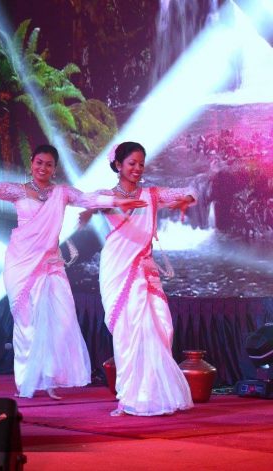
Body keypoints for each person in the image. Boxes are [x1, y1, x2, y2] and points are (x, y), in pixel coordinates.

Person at [0, 145, 145, 399]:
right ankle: (26, 381)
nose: (43, 168)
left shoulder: (62, 193)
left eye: (48, 164)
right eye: (39, 162)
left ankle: (48, 377)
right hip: (21, 264)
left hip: (51, 264)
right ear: (31, 163)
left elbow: (88, 199)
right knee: (26, 323)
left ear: (54, 168)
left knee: (62, 321)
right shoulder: (18, 191)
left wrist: (116, 200)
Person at [98, 141, 195, 416]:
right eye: (132, 163)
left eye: (141, 163)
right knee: (128, 331)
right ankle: (130, 396)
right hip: (117, 268)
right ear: (118, 165)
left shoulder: (151, 194)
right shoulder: (106, 196)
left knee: (162, 326)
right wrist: (113, 203)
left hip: (144, 267)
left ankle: (155, 393)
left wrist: (185, 200)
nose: (138, 168)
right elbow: (87, 201)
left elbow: (190, 191)